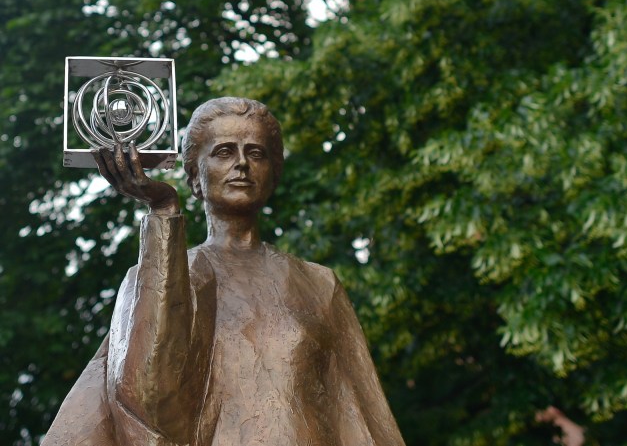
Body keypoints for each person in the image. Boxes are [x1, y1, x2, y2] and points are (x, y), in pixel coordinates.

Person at [42, 97, 406, 446]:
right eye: (224, 151)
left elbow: (362, 415)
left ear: (273, 173)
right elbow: (147, 399)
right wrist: (164, 212)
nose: (242, 164)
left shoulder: (319, 283)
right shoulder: (154, 276)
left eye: (256, 152)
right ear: (195, 176)